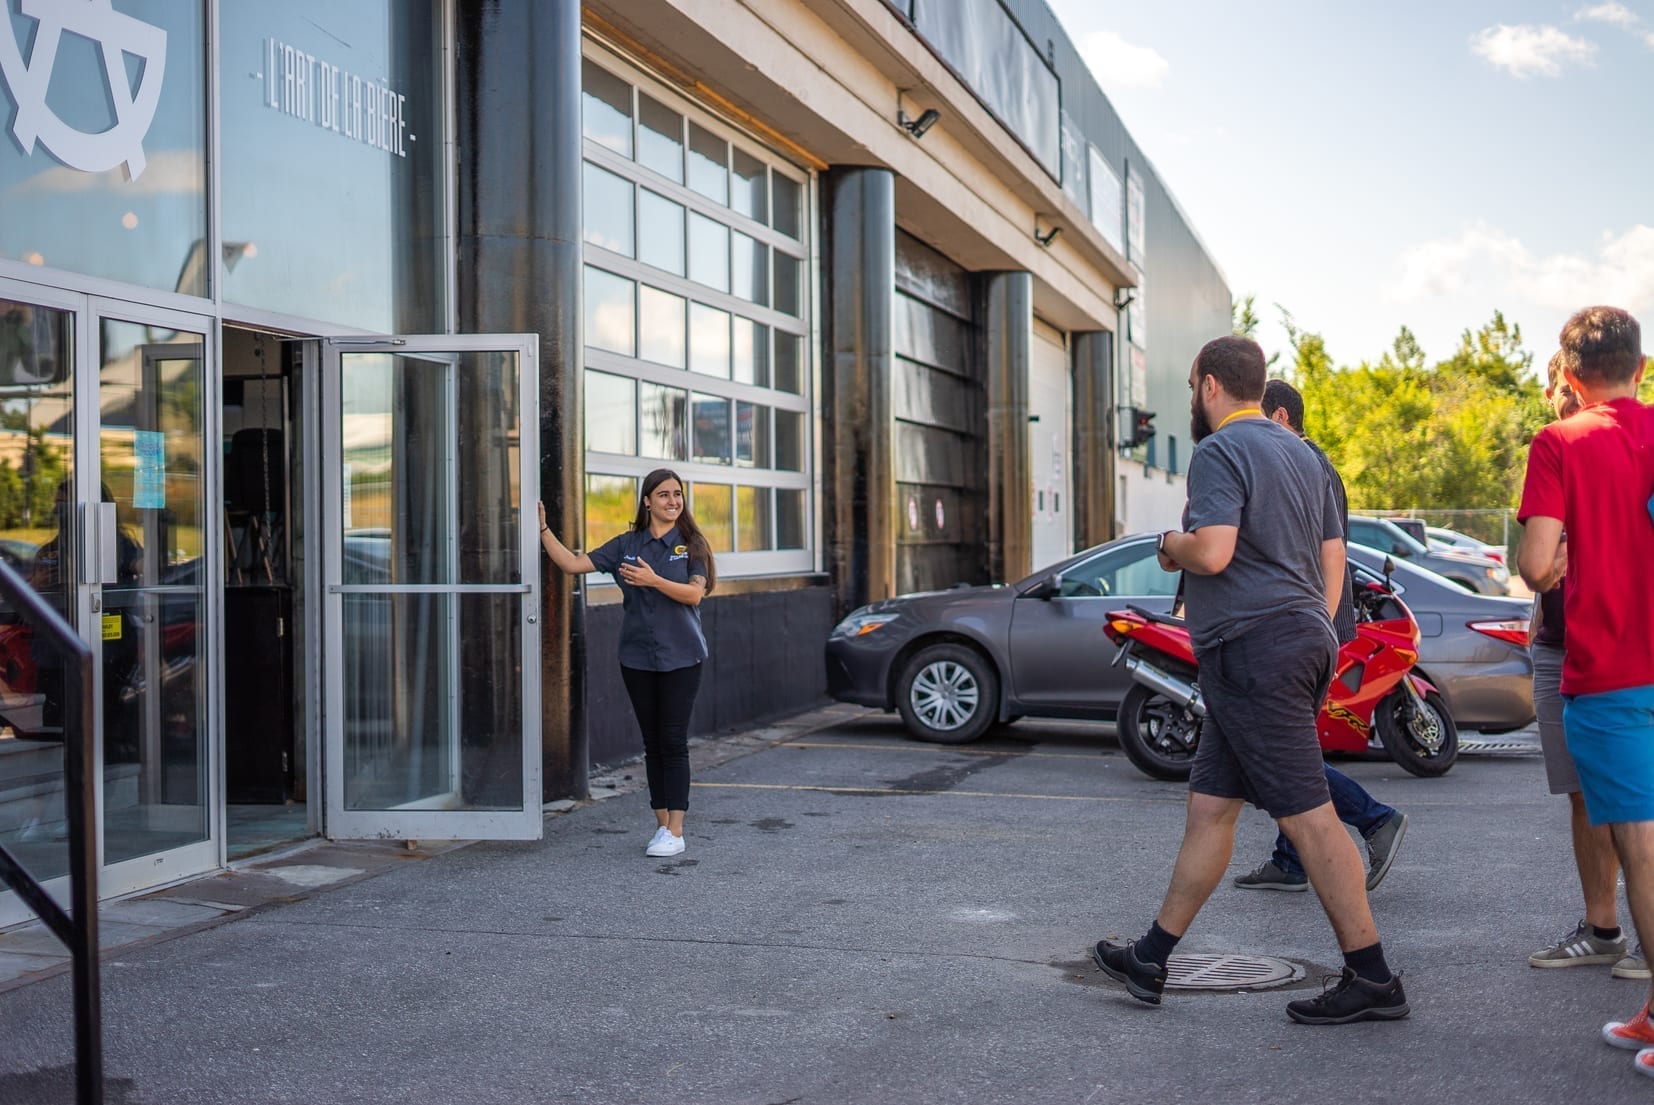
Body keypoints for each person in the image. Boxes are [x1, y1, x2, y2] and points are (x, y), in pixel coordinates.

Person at [1092, 336, 1408, 1025]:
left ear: (1208, 385)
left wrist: (1167, 546)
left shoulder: (1219, 452)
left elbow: (1212, 550)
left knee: (1309, 815)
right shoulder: (1304, 454)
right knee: (1211, 808)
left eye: (1189, 389)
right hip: (1288, 643)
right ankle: (1151, 957)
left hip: (1251, 651)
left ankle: (1373, 975)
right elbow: (1335, 560)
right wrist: (1319, 636)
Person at [1514, 307, 1654, 1077]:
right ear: (1643, 365)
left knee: (1638, 840)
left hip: (1611, 669)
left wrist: (1566, 551)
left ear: (1569, 376)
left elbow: (1536, 566)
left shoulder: (1559, 441)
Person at [1230, 380, 1408, 894]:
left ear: (1281, 416)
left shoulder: (1304, 465)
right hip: (1308, 624)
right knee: (1292, 746)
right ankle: (1291, 859)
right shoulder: (1309, 462)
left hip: (1302, 628)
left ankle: (1375, 819)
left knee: (1280, 753)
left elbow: (1313, 552)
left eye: (1259, 419)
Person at [538, 469, 713, 858]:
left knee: (673, 741)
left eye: (678, 495)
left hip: (683, 656)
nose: (673, 501)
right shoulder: (626, 545)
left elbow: (693, 596)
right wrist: (543, 529)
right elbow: (571, 564)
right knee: (652, 744)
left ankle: (678, 831)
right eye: (664, 495)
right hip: (637, 658)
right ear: (647, 501)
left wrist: (654, 581)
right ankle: (662, 827)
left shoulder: (691, 544)